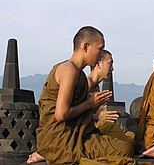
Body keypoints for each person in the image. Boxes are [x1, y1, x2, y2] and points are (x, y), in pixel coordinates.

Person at [27, 26, 136, 165]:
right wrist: (90, 104)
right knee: (126, 149)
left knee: (127, 143)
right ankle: (50, 153)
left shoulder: (79, 74)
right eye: (100, 49)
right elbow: (61, 114)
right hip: (61, 141)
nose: (100, 54)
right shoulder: (69, 71)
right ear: (85, 46)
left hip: (74, 134)